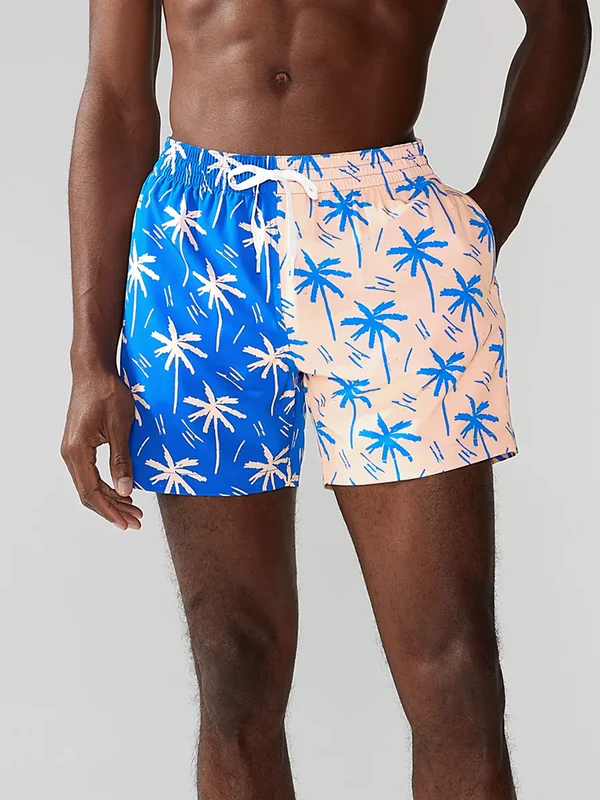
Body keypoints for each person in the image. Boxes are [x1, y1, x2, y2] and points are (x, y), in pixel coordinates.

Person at [61, 1, 591, 797]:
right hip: (198, 251)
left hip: (390, 241)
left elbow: (558, 18)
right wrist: (88, 359)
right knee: (234, 667)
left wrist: (494, 210)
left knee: (454, 671)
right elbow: (114, 95)